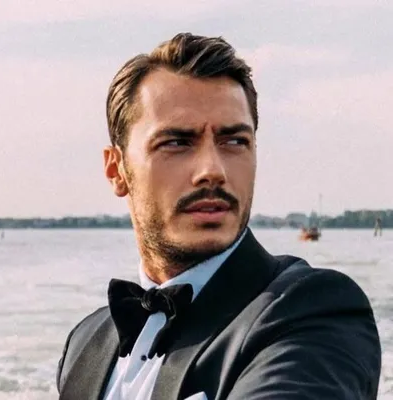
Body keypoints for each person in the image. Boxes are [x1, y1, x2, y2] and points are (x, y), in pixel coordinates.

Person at [56, 33, 381, 400]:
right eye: (177, 142)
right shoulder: (84, 344)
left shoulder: (313, 311)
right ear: (116, 170)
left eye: (234, 141)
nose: (212, 170)